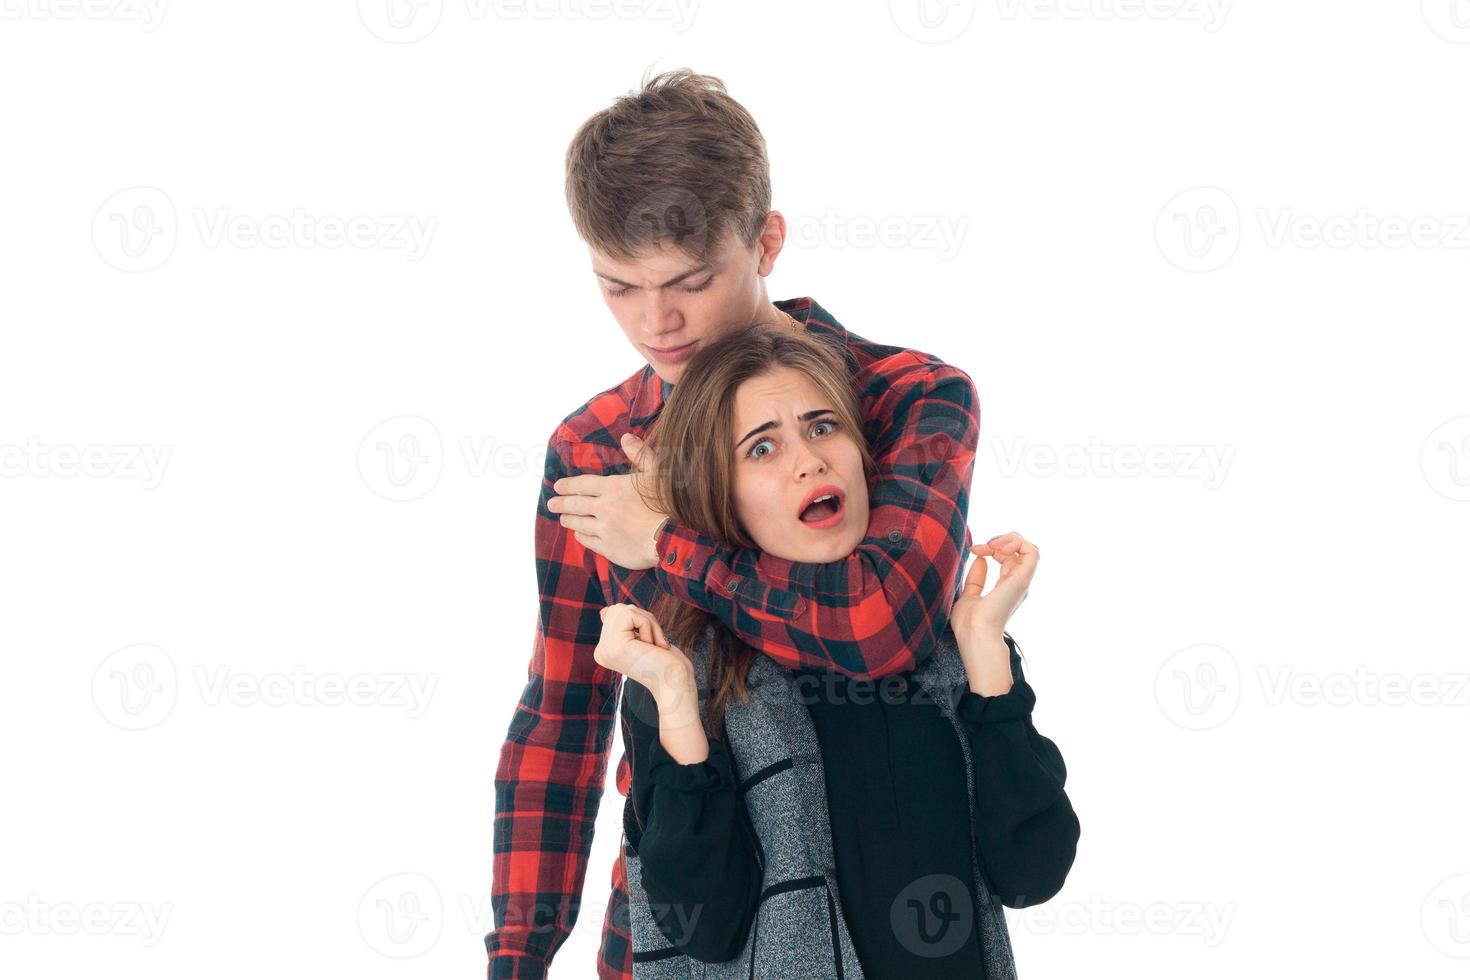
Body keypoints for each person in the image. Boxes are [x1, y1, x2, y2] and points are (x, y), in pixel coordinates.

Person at [488, 69, 982, 980]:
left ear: (767, 242)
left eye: (689, 280)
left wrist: (668, 542)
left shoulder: (906, 399)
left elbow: (880, 624)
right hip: (675, 929)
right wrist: (516, 959)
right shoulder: (593, 449)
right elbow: (562, 715)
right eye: (618, 289)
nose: (656, 322)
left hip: (898, 925)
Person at [596, 326, 1079, 978]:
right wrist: (679, 707)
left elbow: (1032, 874)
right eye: (762, 447)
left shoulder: (940, 645)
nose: (810, 460)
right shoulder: (687, 673)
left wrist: (985, 655)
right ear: (718, 490)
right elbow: (702, 928)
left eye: (823, 428)